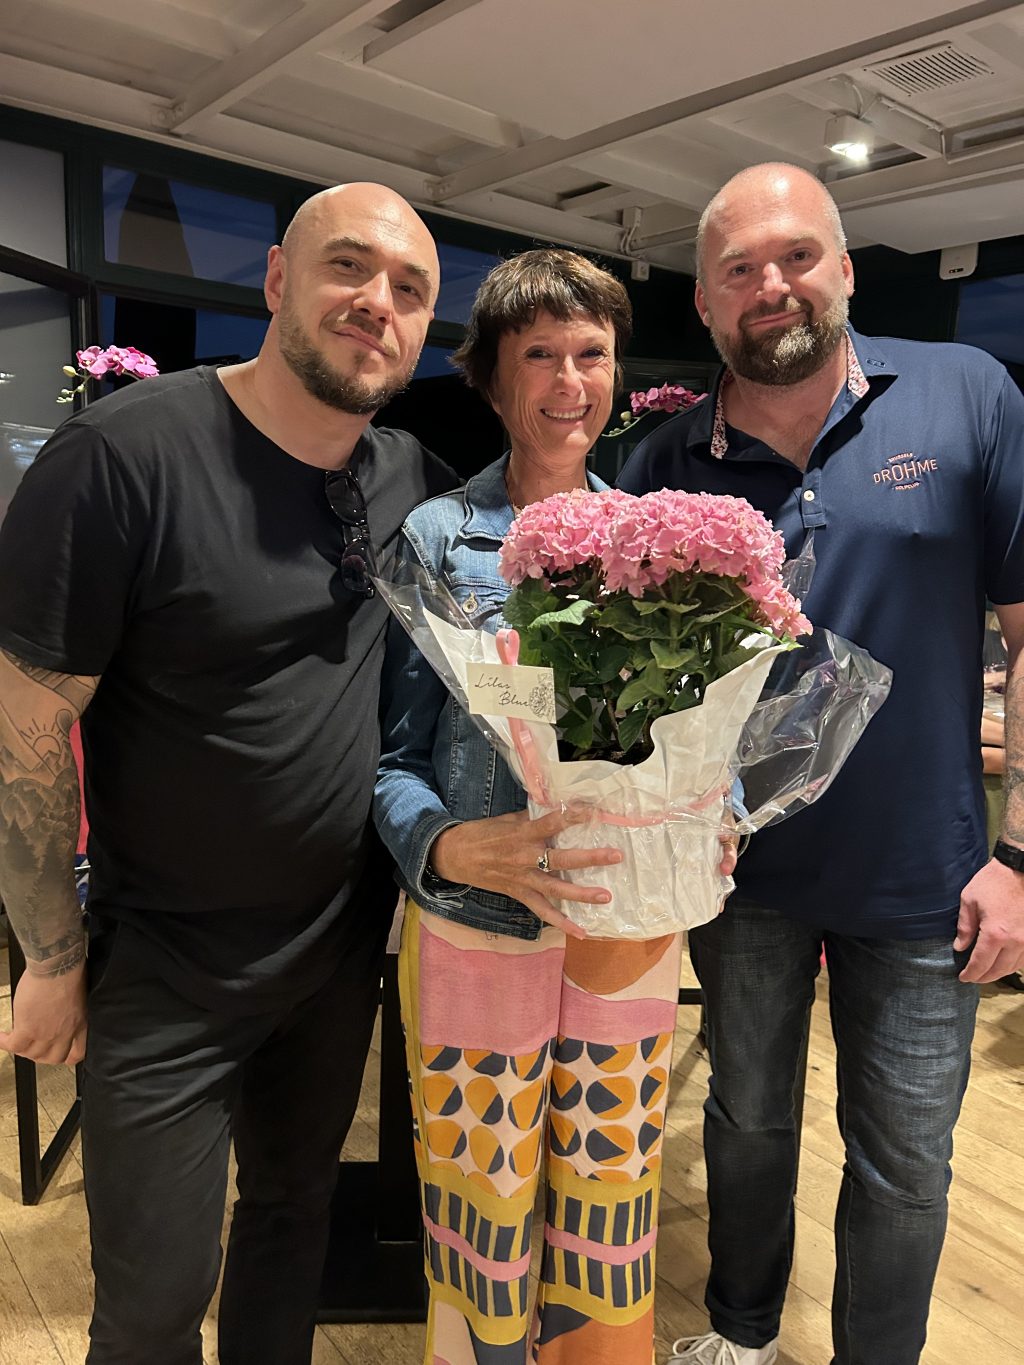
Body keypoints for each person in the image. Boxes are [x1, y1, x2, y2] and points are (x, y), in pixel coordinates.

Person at [0, 182, 457, 1365]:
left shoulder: (408, 478)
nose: (378, 302)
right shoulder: (123, 457)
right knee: (152, 1307)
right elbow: (22, 733)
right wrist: (49, 957)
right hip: (163, 966)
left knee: (291, 1223)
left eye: (410, 289)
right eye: (348, 266)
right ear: (276, 280)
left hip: (334, 953)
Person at [618, 163, 1024, 1365]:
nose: (771, 285)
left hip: (928, 878)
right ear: (704, 302)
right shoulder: (661, 463)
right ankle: (740, 1335)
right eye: (738, 269)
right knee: (744, 1121)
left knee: (904, 1161)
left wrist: (1017, 855)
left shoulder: (963, 393)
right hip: (736, 876)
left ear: (843, 268)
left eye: (796, 255)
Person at [374, 248, 736, 1363]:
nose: (570, 381)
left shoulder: (662, 547)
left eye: (592, 353)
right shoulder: (439, 539)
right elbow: (388, 758)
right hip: (477, 929)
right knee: (480, 1214)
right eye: (539, 355)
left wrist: (715, 810)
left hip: (627, 934)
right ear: (492, 378)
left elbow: (698, 734)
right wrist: (444, 846)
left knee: (609, 1214)